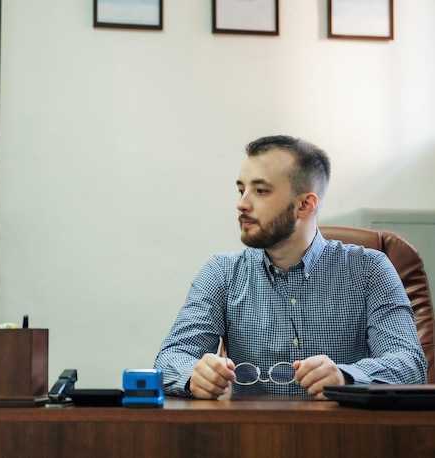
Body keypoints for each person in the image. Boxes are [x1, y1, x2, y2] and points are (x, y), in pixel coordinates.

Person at [154, 135, 428, 400]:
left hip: (346, 438)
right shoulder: (222, 273)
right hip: (251, 437)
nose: (241, 204)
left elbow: (410, 364)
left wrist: (347, 376)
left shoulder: (371, 269)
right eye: (241, 189)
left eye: (260, 191)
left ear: (305, 204)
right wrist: (193, 375)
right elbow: (169, 358)